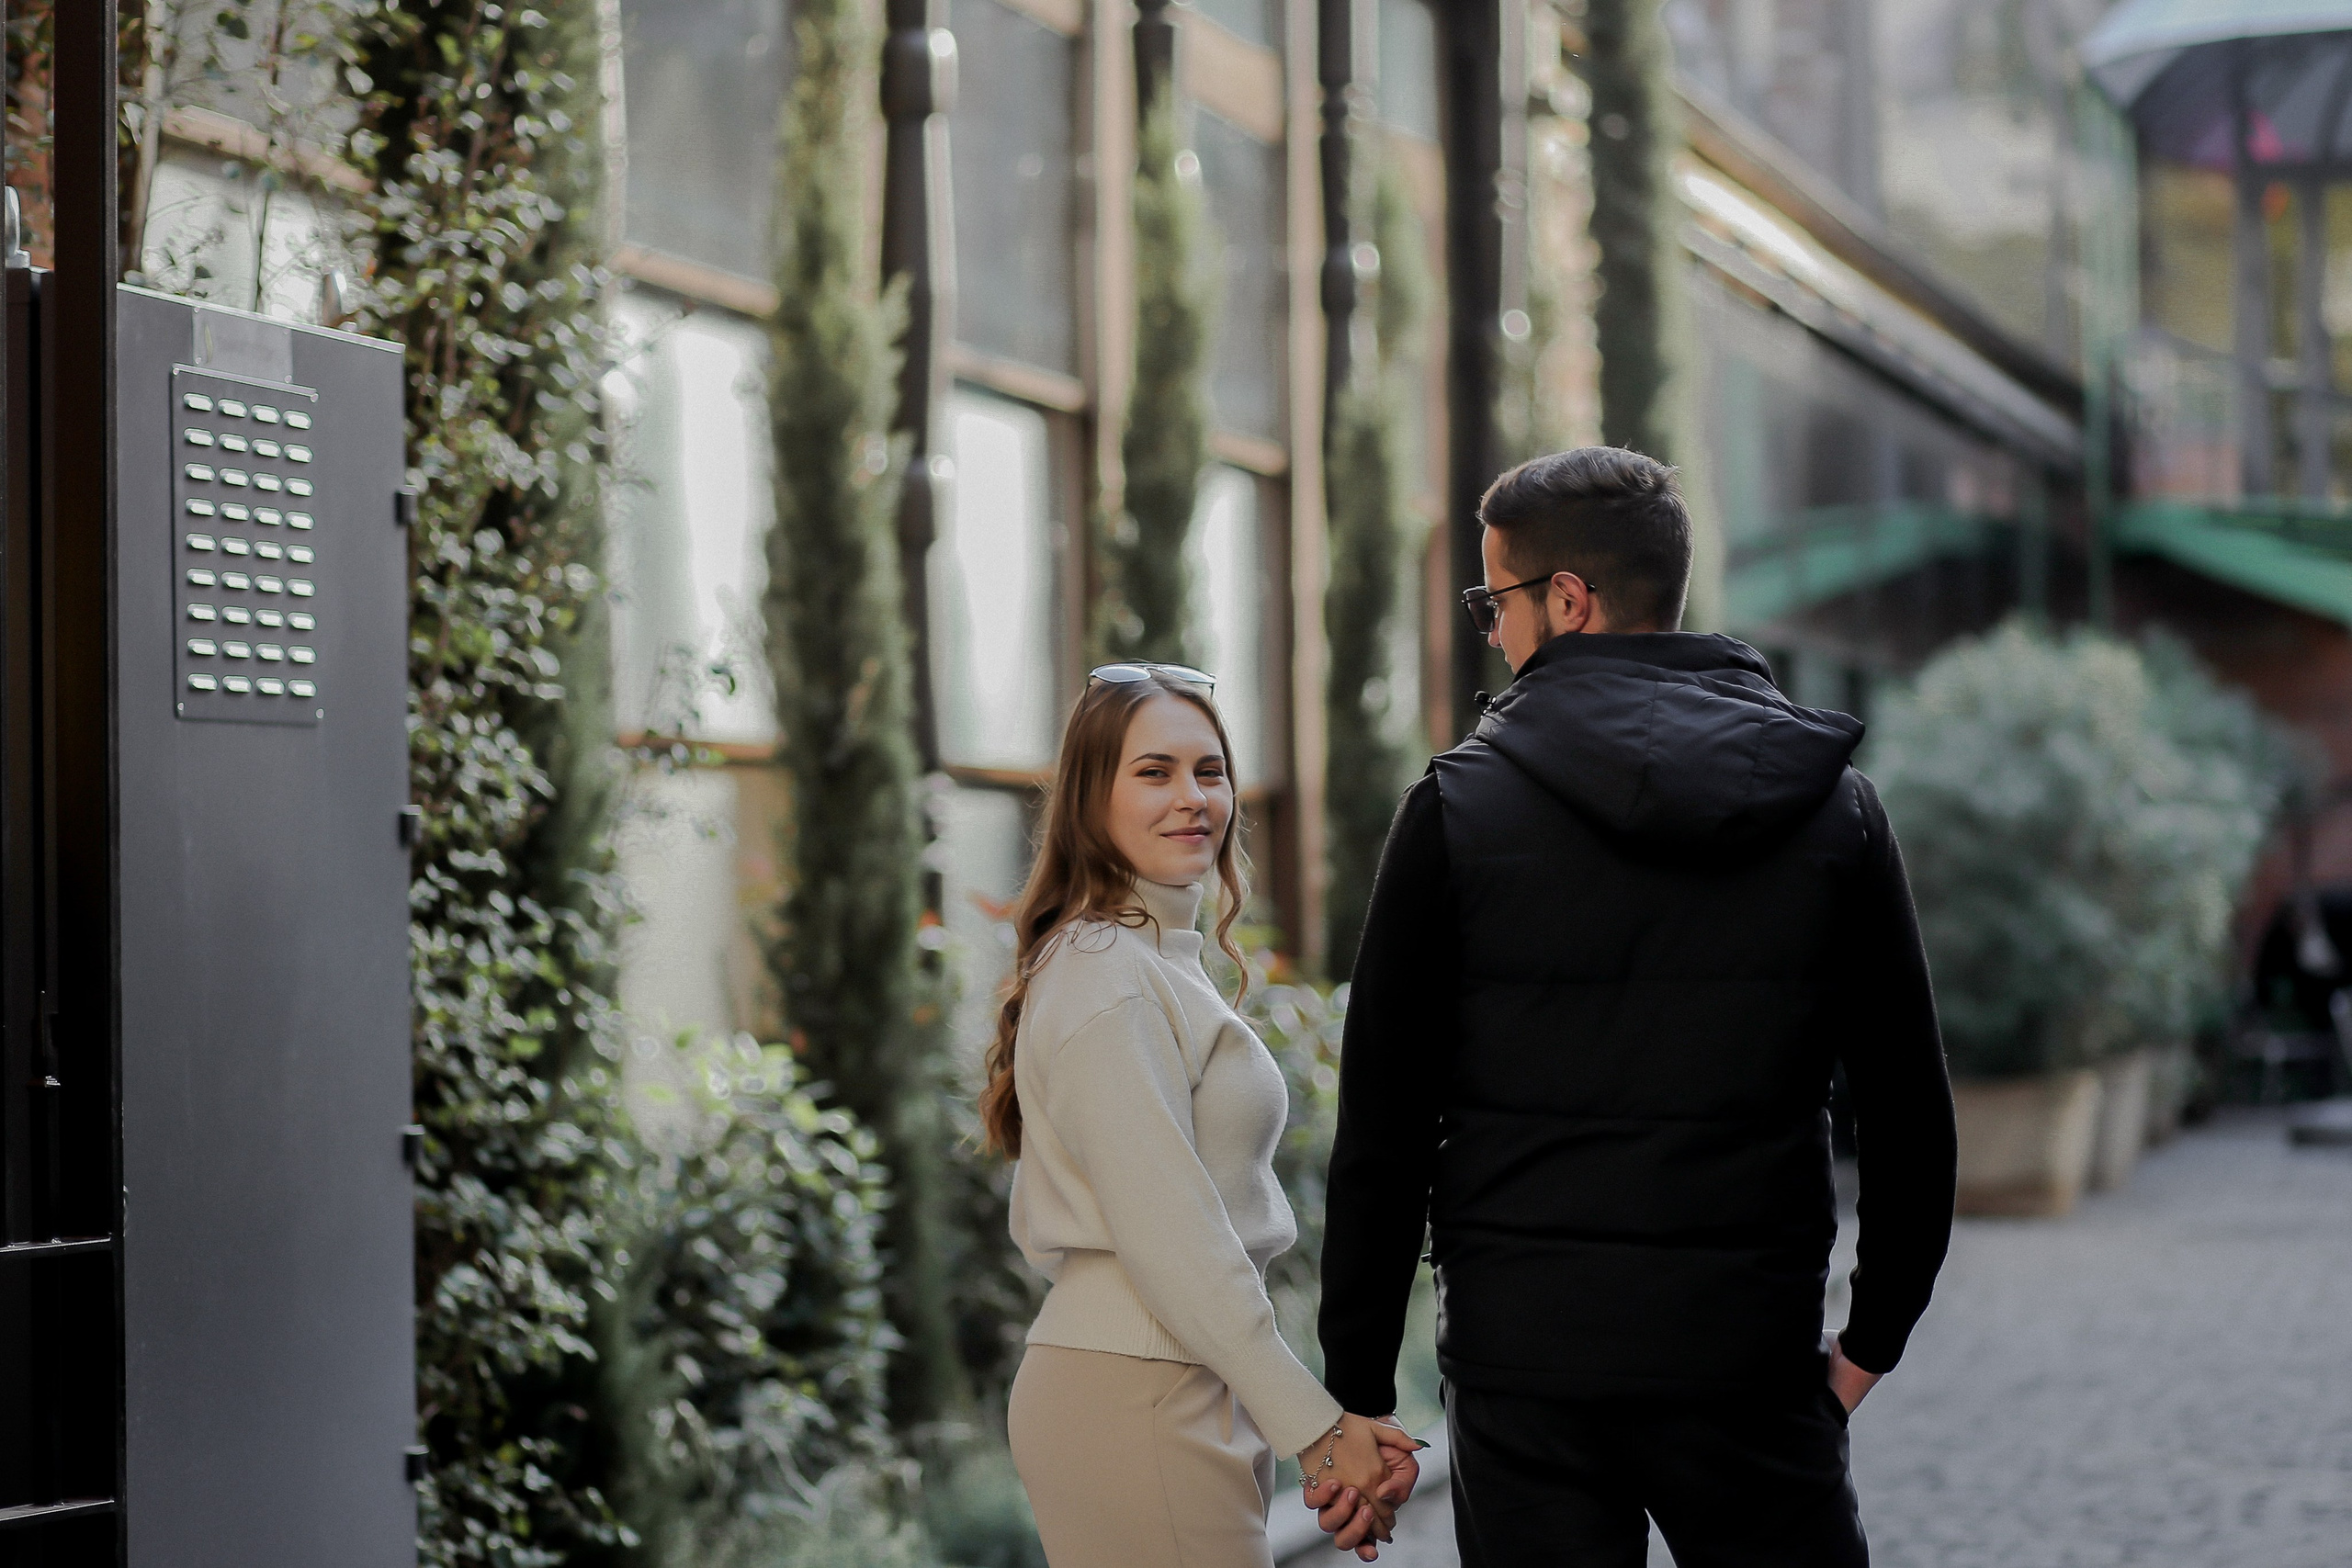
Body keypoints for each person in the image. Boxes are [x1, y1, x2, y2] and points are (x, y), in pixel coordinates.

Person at [1312, 447, 1959, 1565]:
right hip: (1744, 1357)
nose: (1494, 634)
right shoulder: (1832, 810)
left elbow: (1382, 1127)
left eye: (1492, 602)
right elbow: (1909, 1111)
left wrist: (1358, 1390)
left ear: (1566, 600)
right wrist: (1867, 1344)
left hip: (1528, 1370)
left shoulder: (1456, 810)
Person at [986, 663, 1424, 1566]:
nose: (1192, 799)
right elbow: (1174, 1237)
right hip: (1134, 1394)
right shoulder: (1108, 973)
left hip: (1171, 1381)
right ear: (1089, 799)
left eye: (1209, 771)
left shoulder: (1152, 960)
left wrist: (1306, 1422)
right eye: (1153, 773)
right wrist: (1319, 1430)